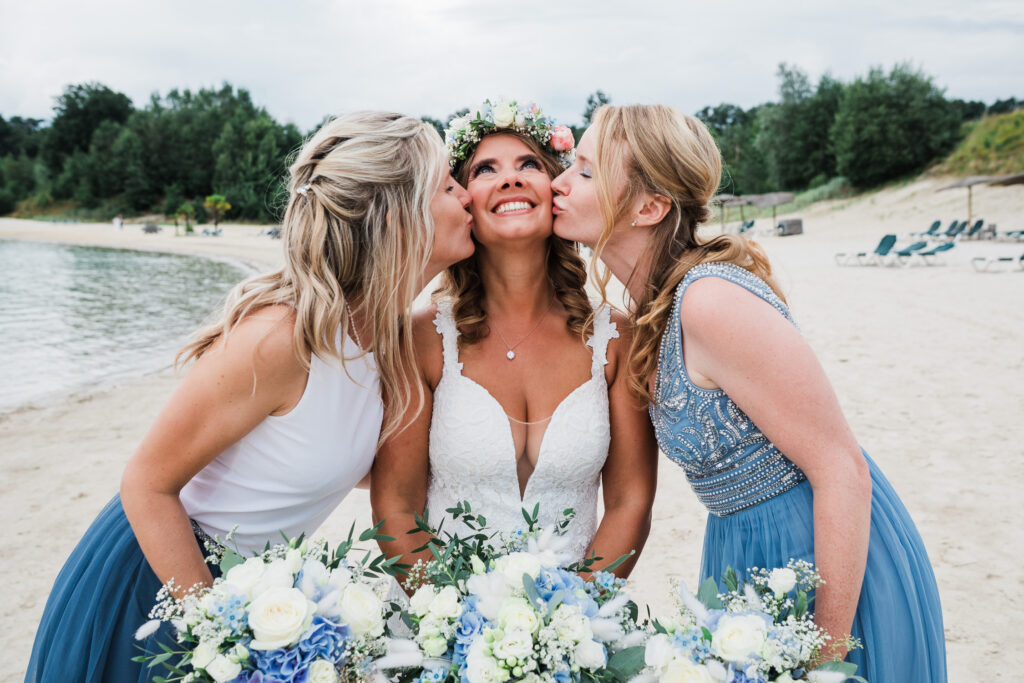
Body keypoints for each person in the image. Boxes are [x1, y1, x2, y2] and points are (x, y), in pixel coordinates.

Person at [26, 111, 475, 683]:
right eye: (448, 184)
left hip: (256, 592)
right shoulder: (281, 339)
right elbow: (146, 483)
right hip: (162, 580)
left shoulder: (385, 336)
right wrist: (219, 632)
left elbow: (354, 466)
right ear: (397, 216)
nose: (467, 194)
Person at [550, 104, 946, 680]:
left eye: (585, 171)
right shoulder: (653, 309)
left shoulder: (709, 300)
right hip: (739, 554)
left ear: (649, 207)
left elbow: (841, 469)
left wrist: (826, 654)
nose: (560, 182)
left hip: (825, 561)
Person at [371, 99, 658, 580]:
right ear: (463, 201)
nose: (510, 179)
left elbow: (631, 502)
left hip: (582, 616)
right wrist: (448, 613)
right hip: (438, 611)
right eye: (485, 169)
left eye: (529, 165)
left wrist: (577, 611)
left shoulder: (615, 338)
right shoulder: (420, 338)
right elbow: (396, 507)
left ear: (557, 190)